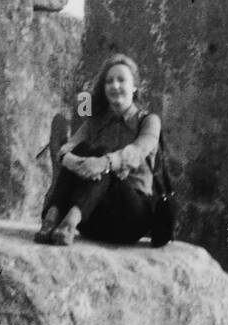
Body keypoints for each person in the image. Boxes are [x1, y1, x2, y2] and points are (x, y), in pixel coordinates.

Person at [36, 53, 161, 247]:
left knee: (105, 158)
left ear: (135, 87)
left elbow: (136, 153)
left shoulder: (149, 121)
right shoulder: (95, 121)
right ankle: (53, 217)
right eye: (109, 81)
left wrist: (104, 163)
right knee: (84, 148)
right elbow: (66, 149)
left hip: (130, 218)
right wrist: (73, 162)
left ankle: (68, 222)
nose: (115, 85)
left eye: (121, 80)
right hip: (94, 217)